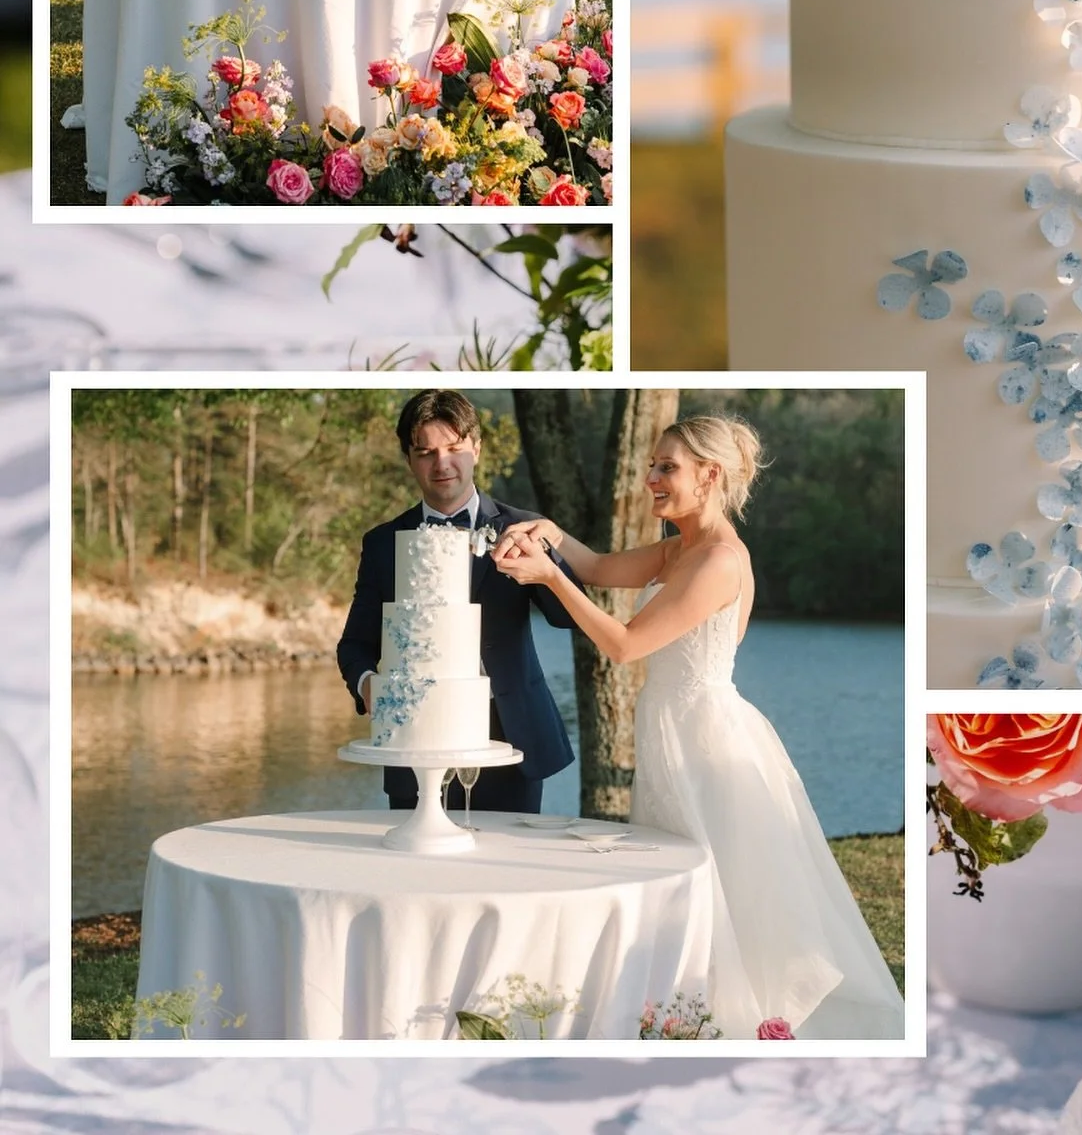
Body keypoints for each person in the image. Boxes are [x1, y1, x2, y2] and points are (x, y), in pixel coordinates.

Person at [491, 414, 905, 1040]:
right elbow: (600, 566)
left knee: (715, 888)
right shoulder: (680, 546)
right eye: (652, 464)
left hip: (705, 742)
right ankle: (689, 1018)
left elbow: (627, 646)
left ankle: (733, 1022)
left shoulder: (717, 561)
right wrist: (553, 537)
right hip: (673, 730)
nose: (650, 477)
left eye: (667, 467)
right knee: (684, 888)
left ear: (709, 476)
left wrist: (550, 577)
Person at [336, 388, 578, 814]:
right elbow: (353, 645)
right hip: (416, 738)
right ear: (409, 460)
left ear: (476, 449)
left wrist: (546, 564)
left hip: (509, 734)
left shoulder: (520, 527)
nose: (441, 463)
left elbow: (564, 618)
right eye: (425, 452)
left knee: (505, 871)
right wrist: (370, 687)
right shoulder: (382, 544)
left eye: (453, 448)